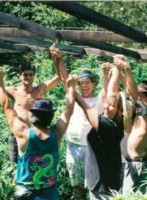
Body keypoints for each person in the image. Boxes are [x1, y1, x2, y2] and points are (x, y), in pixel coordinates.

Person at [0, 65, 77, 200]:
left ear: (32, 116)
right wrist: (72, 88)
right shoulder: (57, 134)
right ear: (51, 117)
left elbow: (6, 106)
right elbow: (69, 111)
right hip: (49, 193)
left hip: (25, 192)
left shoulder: (23, 134)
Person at [0, 48, 61, 163]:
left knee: (36, 164)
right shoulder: (13, 91)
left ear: (34, 76)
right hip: (17, 135)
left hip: (36, 134)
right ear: (19, 76)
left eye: (31, 74)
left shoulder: (39, 89)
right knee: (15, 165)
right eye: (25, 75)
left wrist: (56, 60)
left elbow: (58, 78)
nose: (28, 77)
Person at [50, 45, 102, 199]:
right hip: (73, 146)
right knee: (76, 186)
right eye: (81, 83)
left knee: (92, 184)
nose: (84, 85)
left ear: (93, 84)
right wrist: (59, 59)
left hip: (91, 148)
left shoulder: (98, 101)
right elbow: (66, 79)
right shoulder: (75, 96)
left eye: (87, 82)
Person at [75, 59, 132, 199]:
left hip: (103, 185)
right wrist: (113, 72)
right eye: (106, 103)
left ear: (119, 110)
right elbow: (110, 96)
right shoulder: (115, 122)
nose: (106, 106)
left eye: (111, 105)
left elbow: (86, 107)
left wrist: (70, 87)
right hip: (105, 180)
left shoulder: (107, 126)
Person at [117, 55, 147, 193]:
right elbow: (130, 90)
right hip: (131, 163)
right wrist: (119, 70)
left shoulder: (145, 113)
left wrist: (127, 68)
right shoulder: (139, 114)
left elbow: (133, 94)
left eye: (142, 95)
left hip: (139, 164)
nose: (139, 97)